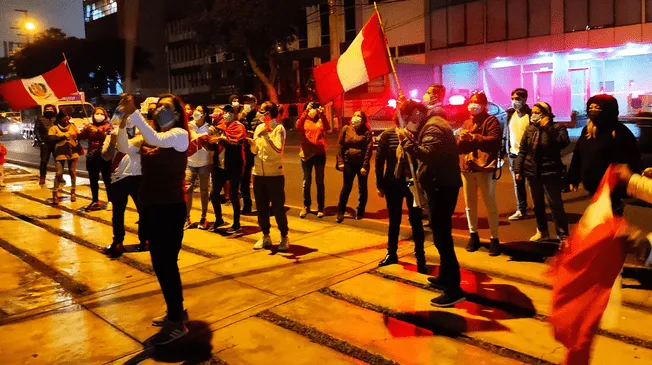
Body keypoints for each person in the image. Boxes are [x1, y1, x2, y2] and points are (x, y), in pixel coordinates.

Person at [119, 94, 190, 345]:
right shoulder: (152, 137)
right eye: (158, 106)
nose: (160, 110)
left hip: (170, 207)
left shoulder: (179, 135)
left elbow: (153, 138)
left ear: (179, 113)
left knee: (166, 264)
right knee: (160, 264)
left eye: (166, 107)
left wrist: (134, 112)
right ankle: (177, 311)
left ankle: (177, 322)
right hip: (151, 206)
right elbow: (124, 147)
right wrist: (120, 124)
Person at [396, 100, 465, 307]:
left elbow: (429, 155)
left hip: (441, 186)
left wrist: (407, 142)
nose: (408, 122)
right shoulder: (432, 124)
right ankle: (445, 275)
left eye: (409, 118)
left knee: (442, 237)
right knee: (439, 232)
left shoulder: (434, 126)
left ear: (417, 112)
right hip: (441, 185)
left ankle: (453, 289)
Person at [566, 94, 641, 216]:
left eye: (597, 107)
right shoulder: (588, 130)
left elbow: (633, 159)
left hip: (613, 189)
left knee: (608, 223)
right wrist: (573, 178)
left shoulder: (620, 132)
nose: (593, 110)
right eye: (591, 107)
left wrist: (633, 181)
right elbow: (578, 155)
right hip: (594, 187)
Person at [375, 103, 427, 274]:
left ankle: (420, 256)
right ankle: (392, 253)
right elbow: (379, 162)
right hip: (393, 184)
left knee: (416, 221)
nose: (404, 118)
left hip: (412, 184)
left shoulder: (415, 135)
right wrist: (380, 185)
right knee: (394, 221)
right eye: (402, 116)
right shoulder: (388, 135)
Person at [514, 102, 570, 242]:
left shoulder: (557, 128)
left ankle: (563, 235)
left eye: (537, 112)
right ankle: (542, 231)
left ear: (546, 114)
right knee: (537, 204)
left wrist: (547, 128)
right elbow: (522, 151)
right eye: (533, 112)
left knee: (555, 204)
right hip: (532, 172)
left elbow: (563, 142)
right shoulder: (530, 129)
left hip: (550, 172)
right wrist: (518, 169)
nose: (533, 115)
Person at [457, 91, 502, 256]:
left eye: (476, 102)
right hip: (467, 168)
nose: (473, 104)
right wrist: (462, 139)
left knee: (490, 204)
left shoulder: (491, 121)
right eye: (471, 101)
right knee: (470, 205)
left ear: (484, 105)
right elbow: (460, 147)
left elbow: (494, 140)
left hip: (483, 167)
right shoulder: (467, 122)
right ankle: (473, 235)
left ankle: (494, 238)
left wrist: (474, 138)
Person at [101, 113, 146, 258]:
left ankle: (145, 239)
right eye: (125, 118)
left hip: (139, 176)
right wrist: (113, 143)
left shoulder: (143, 135)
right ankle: (117, 241)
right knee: (118, 212)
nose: (128, 120)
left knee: (144, 211)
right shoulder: (113, 134)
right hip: (119, 178)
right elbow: (105, 156)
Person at [248, 101, 290, 251]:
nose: (260, 113)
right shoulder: (258, 128)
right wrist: (252, 143)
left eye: (263, 111)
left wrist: (267, 136)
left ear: (269, 113)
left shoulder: (278, 129)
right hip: (258, 173)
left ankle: (284, 236)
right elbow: (255, 152)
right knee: (261, 208)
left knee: (278, 208)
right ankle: (265, 236)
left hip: (275, 174)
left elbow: (278, 149)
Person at [207, 104, 246, 234]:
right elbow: (212, 145)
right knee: (213, 193)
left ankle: (236, 223)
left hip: (233, 165)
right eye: (225, 112)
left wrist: (222, 139)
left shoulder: (239, 127)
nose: (226, 115)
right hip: (219, 165)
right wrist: (209, 140)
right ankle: (219, 219)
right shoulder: (220, 127)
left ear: (235, 114)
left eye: (230, 112)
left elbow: (236, 145)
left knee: (234, 195)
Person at [336, 110, 373, 223]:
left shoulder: (367, 132)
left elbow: (368, 149)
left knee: (362, 188)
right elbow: (340, 146)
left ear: (363, 120)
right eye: (355, 115)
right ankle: (340, 211)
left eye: (359, 116)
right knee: (346, 187)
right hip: (348, 162)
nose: (356, 117)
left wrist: (365, 166)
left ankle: (360, 211)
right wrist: (340, 162)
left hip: (361, 163)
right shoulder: (346, 129)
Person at [297, 101, 330, 219]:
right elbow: (297, 125)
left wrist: (322, 114)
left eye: (313, 108)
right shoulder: (304, 120)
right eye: (310, 108)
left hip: (320, 154)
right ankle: (306, 206)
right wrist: (306, 112)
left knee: (320, 182)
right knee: (307, 181)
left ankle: (321, 207)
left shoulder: (320, 120)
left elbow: (328, 127)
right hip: (306, 155)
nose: (312, 110)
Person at [79, 107, 114, 211]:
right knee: (93, 180)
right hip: (91, 156)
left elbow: (110, 135)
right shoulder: (89, 126)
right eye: (97, 113)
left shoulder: (109, 126)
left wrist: (99, 131)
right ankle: (95, 200)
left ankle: (111, 201)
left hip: (104, 156)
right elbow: (80, 137)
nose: (98, 115)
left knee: (108, 180)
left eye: (101, 113)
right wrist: (84, 130)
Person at [504, 88, 532, 221]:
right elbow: (507, 134)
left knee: (533, 183)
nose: (515, 101)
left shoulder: (531, 115)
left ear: (525, 99)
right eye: (513, 98)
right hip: (513, 155)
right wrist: (505, 151)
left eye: (518, 99)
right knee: (518, 182)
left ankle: (538, 208)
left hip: (528, 155)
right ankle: (521, 209)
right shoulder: (510, 114)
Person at [185, 105, 212, 230]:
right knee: (187, 190)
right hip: (190, 163)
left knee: (204, 191)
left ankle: (204, 217)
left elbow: (212, 145)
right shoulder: (189, 126)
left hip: (204, 163)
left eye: (200, 111)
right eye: (196, 110)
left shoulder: (209, 128)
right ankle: (187, 218)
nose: (196, 112)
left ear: (205, 114)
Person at [48, 111, 80, 205]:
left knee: (72, 171)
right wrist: (63, 136)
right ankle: (55, 193)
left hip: (72, 151)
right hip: (60, 152)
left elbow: (80, 135)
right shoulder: (54, 128)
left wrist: (78, 135)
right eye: (65, 118)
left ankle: (73, 192)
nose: (67, 120)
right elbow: (50, 139)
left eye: (68, 118)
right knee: (59, 172)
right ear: (60, 119)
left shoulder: (72, 126)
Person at [240, 94, 258, 213]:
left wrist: (253, 134)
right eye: (245, 101)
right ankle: (247, 205)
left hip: (256, 152)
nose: (247, 104)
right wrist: (241, 117)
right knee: (244, 180)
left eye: (250, 101)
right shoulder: (242, 117)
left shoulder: (259, 116)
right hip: (245, 152)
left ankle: (263, 204)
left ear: (255, 103)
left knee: (258, 180)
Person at [35, 104, 58, 186]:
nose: (49, 111)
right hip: (45, 143)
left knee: (58, 161)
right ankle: (42, 177)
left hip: (55, 142)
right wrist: (41, 141)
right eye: (47, 109)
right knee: (44, 161)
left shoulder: (56, 119)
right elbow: (36, 131)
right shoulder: (40, 119)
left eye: (51, 109)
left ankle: (59, 176)